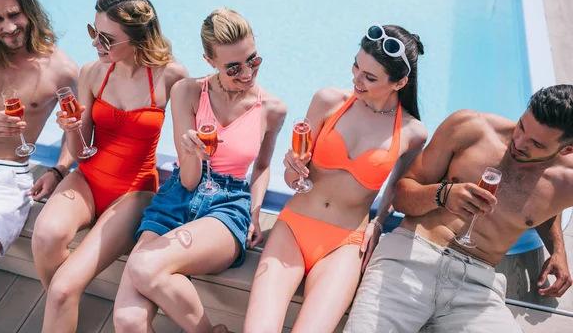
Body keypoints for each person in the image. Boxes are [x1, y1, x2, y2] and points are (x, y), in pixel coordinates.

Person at [112, 7, 287, 333]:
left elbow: (262, 166)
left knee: (145, 265)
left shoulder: (273, 109)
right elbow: (190, 179)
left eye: (253, 60)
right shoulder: (187, 92)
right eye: (233, 67)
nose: (247, 73)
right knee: (127, 320)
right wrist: (191, 152)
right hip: (178, 197)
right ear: (210, 61)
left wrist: (255, 210)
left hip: (227, 207)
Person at [244, 24, 428, 332]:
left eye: (370, 77)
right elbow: (292, 176)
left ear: (400, 83)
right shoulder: (328, 100)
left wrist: (378, 223)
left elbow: (397, 187)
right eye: (356, 65)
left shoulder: (412, 133)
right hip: (294, 226)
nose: (356, 79)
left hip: (345, 244)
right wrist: (293, 166)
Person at [345, 84, 573, 332]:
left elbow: (543, 205)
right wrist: (442, 194)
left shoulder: (565, 182)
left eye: (536, 144)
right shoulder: (470, 128)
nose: (518, 142)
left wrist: (558, 249)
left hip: (477, 285)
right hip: (410, 257)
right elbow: (401, 197)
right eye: (521, 126)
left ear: (567, 150)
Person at [30, 0, 188, 331]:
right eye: (94, 33)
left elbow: (186, 149)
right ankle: (64, 302)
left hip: (133, 190)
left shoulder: (171, 76)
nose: (95, 44)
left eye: (106, 38)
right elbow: (80, 146)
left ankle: (62, 299)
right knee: (44, 238)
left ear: (139, 38)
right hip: (87, 178)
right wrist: (69, 129)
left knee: (61, 290)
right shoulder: (92, 72)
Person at [0, 0, 78, 295]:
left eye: (14, 14)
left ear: (28, 8)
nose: (9, 27)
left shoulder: (60, 69)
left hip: (3, 183)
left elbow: (75, 129)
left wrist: (59, 169)